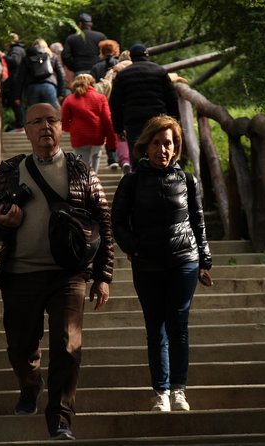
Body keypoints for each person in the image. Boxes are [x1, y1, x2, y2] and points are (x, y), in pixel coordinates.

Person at [0, 103, 114, 441]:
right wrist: (2, 222)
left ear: (62, 127)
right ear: (25, 130)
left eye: (52, 120)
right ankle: (30, 386)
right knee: (20, 345)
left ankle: (60, 416)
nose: (45, 126)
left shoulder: (81, 170)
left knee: (67, 345)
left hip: (68, 274)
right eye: (37, 121)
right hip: (20, 273)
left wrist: (103, 276)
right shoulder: (10, 171)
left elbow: (103, 225)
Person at [111, 115, 213, 412]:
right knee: (155, 328)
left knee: (178, 326)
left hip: (184, 261)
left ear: (176, 146)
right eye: (156, 143)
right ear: (146, 146)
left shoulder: (187, 180)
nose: (162, 149)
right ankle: (161, 392)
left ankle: (179, 390)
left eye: (168, 143)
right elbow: (117, 221)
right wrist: (134, 247)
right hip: (147, 264)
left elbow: (198, 221)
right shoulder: (131, 181)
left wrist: (205, 259)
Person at [109, 43, 179, 169]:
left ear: (131, 57)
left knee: (137, 155)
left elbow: (115, 104)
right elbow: (172, 99)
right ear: (147, 56)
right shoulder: (160, 71)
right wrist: (175, 121)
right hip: (158, 120)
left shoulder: (123, 75)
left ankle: (140, 183)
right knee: (160, 150)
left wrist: (118, 128)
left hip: (134, 122)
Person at [60, 74, 117, 173]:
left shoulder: (69, 99)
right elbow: (107, 120)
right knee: (95, 160)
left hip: (79, 136)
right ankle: (94, 182)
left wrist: (70, 129)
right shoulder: (100, 98)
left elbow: (64, 121)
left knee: (83, 165)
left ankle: (86, 184)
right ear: (92, 83)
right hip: (97, 136)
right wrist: (112, 142)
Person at [16, 39, 68, 112]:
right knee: (53, 114)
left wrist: (17, 96)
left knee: (34, 115)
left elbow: (20, 77)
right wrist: (61, 93)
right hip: (49, 87)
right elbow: (61, 75)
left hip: (32, 89)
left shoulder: (27, 57)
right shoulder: (52, 56)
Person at [0, 33, 26, 130]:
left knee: (17, 102)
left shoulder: (16, 49)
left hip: (17, 80)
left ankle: (21, 126)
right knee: (16, 102)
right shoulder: (17, 49)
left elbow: (15, 61)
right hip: (17, 79)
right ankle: (20, 125)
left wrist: (3, 56)